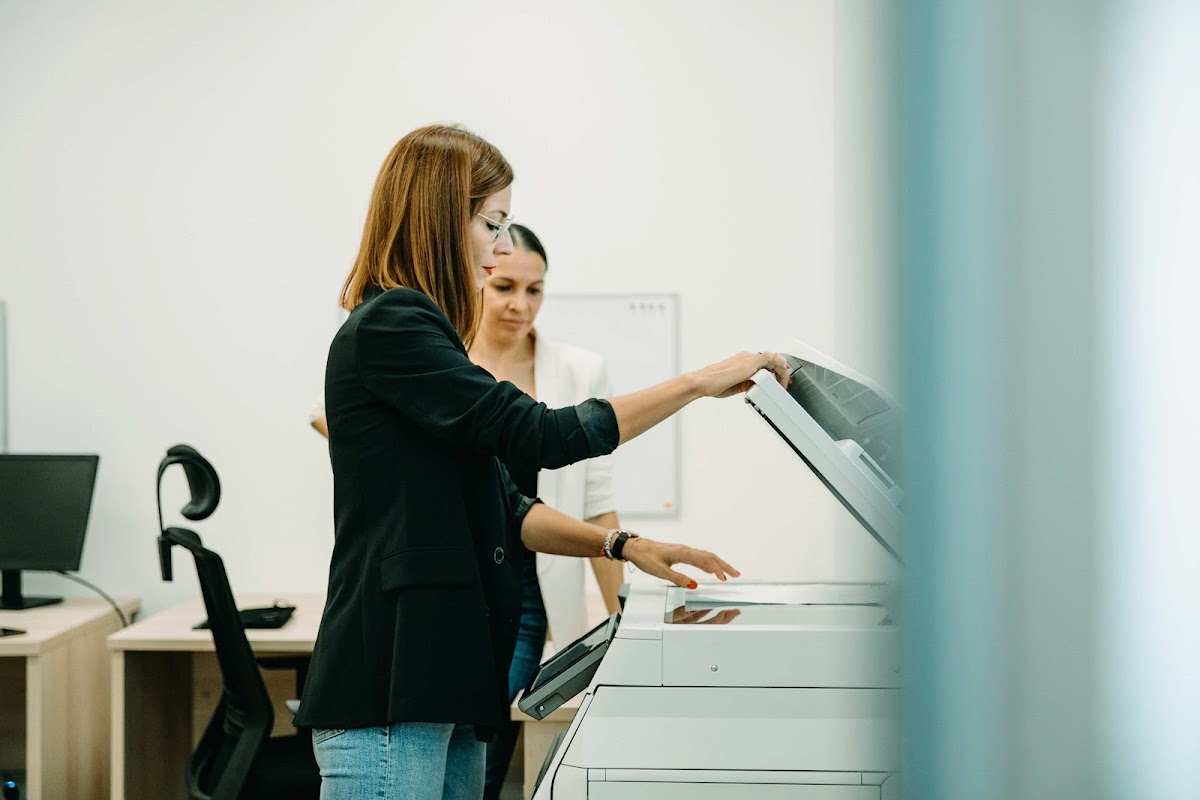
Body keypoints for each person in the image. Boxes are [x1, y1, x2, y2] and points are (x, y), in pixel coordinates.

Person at [293, 123, 792, 800]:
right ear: (440, 217)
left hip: (445, 682)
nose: (500, 250)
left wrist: (624, 543)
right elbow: (544, 435)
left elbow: (509, 508)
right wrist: (697, 383)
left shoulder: (425, 336)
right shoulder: (393, 325)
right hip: (392, 684)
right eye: (491, 223)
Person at [307, 223, 624, 797]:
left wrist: (618, 603)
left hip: (518, 590)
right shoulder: (415, 340)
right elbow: (543, 436)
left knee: (478, 754)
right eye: (503, 283)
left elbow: (545, 503)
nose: (519, 303)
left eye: (535, 290)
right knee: (468, 749)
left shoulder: (571, 367)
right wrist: (698, 383)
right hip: (445, 593)